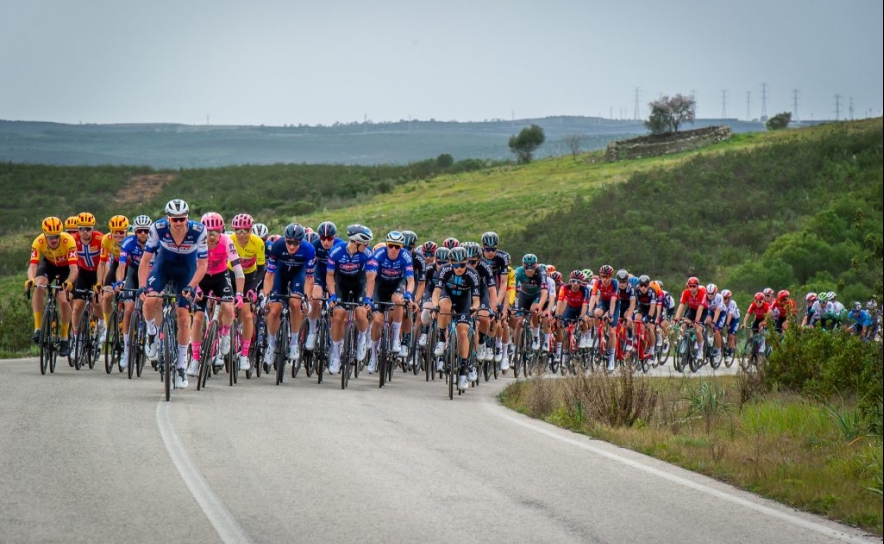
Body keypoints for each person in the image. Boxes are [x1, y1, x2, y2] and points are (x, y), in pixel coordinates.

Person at [139, 199, 208, 389]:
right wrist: (142, 286)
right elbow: (145, 262)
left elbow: (202, 265)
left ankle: (180, 367)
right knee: (149, 301)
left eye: (182, 219)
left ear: (187, 218)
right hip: (164, 267)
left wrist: (192, 286)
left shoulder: (198, 231)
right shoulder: (158, 228)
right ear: (168, 218)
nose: (178, 223)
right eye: (174, 219)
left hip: (187, 270)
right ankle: (152, 334)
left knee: (184, 317)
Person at [186, 212, 246, 376]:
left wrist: (239, 294)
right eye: (208, 232)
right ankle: (196, 359)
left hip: (221, 276)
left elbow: (239, 272)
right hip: (202, 278)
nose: (212, 237)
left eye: (216, 232)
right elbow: (191, 269)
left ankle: (225, 333)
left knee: (228, 307)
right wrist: (195, 288)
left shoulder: (227, 242)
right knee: (197, 319)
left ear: (222, 231)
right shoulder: (197, 242)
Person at [25, 217, 79, 357]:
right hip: (49, 265)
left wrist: (69, 282)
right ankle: (37, 328)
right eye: (50, 237)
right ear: (44, 235)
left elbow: (74, 268)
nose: (54, 240)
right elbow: (33, 265)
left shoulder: (69, 241)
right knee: (38, 285)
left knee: (63, 299)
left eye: (57, 237)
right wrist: (31, 279)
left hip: (66, 268)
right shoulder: (38, 241)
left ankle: (64, 338)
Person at [263, 223, 316, 364]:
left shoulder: (309, 249)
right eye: (289, 242)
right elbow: (269, 274)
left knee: (295, 303)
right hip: (281, 272)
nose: (292, 246)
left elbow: (310, 279)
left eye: (296, 243)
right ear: (285, 239)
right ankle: (271, 344)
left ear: (301, 242)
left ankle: (294, 342)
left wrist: (307, 298)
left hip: (299, 273)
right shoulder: (277, 246)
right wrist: (265, 295)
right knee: (274, 309)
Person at [325, 224, 374, 374]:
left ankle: (361, 339)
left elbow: (371, 278)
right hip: (342, 284)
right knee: (338, 314)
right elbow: (330, 276)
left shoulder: (367, 253)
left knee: (361, 312)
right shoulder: (336, 251)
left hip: (359, 283)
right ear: (356, 242)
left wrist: (368, 298)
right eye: (365, 243)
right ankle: (335, 353)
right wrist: (332, 294)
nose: (367, 246)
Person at [364, 231, 415, 373]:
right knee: (378, 320)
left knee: (399, 300)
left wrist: (409, 294)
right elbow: (371, 278)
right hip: (379, 285)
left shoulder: (405, 256)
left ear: (401, 247)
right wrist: (368, 296)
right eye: (391, 246)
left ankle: (395, 340)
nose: (393, 249)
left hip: (396, 284)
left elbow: (410, 279)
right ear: (387, 245)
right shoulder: (378, 255)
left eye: (397, 247)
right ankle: (373, 356)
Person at [431, 246, 480, 391]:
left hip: (464, 301)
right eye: (456, 265)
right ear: (451, 263)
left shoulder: (472, 274)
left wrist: (474, 308)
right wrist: (435, 306)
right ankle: (441, 338)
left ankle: (463, 372)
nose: (459, 268)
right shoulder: (445, 270)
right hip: (448, 296)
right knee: (444, 307)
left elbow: (476, 300)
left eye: (463, 265)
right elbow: (436, 292)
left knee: (463, 333)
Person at [116, 215, 152, 367]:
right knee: (128, 308)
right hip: (133, 272)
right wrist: (119, 281)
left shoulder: (154, 243)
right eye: (139, 231)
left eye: (145, 231)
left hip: (150, 272)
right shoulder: (128, 242)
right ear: (135, 232)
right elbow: (122, 266)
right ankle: (126, 349)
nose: (143, 233)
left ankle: (150, 334)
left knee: (150, 304)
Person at [307, 221, 346, 352]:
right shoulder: (314, 245)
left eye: (329, 238)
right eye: (323, 238)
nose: (326, 242)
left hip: (335, 276)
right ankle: (312, 331)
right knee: (316, 298)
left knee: (333, 306)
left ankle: (333, 332)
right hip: (319, 273)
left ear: (334, 237)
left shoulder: (340, 245)